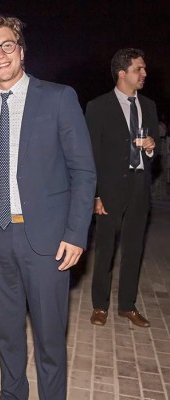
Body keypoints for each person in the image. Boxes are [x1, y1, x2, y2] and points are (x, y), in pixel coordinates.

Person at [0, 15, 96, 399]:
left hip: (46, 240)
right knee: (7, 334)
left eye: (7, 45)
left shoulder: (58, 97)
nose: (0, 54)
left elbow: (84, 171)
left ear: (21, 51)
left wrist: (76, 234)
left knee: (49, 340)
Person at [87, 48, 159, 328]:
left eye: (143, 69)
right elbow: (91, 153)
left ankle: (127, 305)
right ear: (122, 73)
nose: (144, 74)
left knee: (134, 248)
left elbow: (158, 148)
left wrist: (152, 147)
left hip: (140, 187)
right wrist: (94, 194)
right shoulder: (98, 106)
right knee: (105, 249)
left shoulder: (149, 106)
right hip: (108, 189)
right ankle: (99, 306)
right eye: (138, 69)